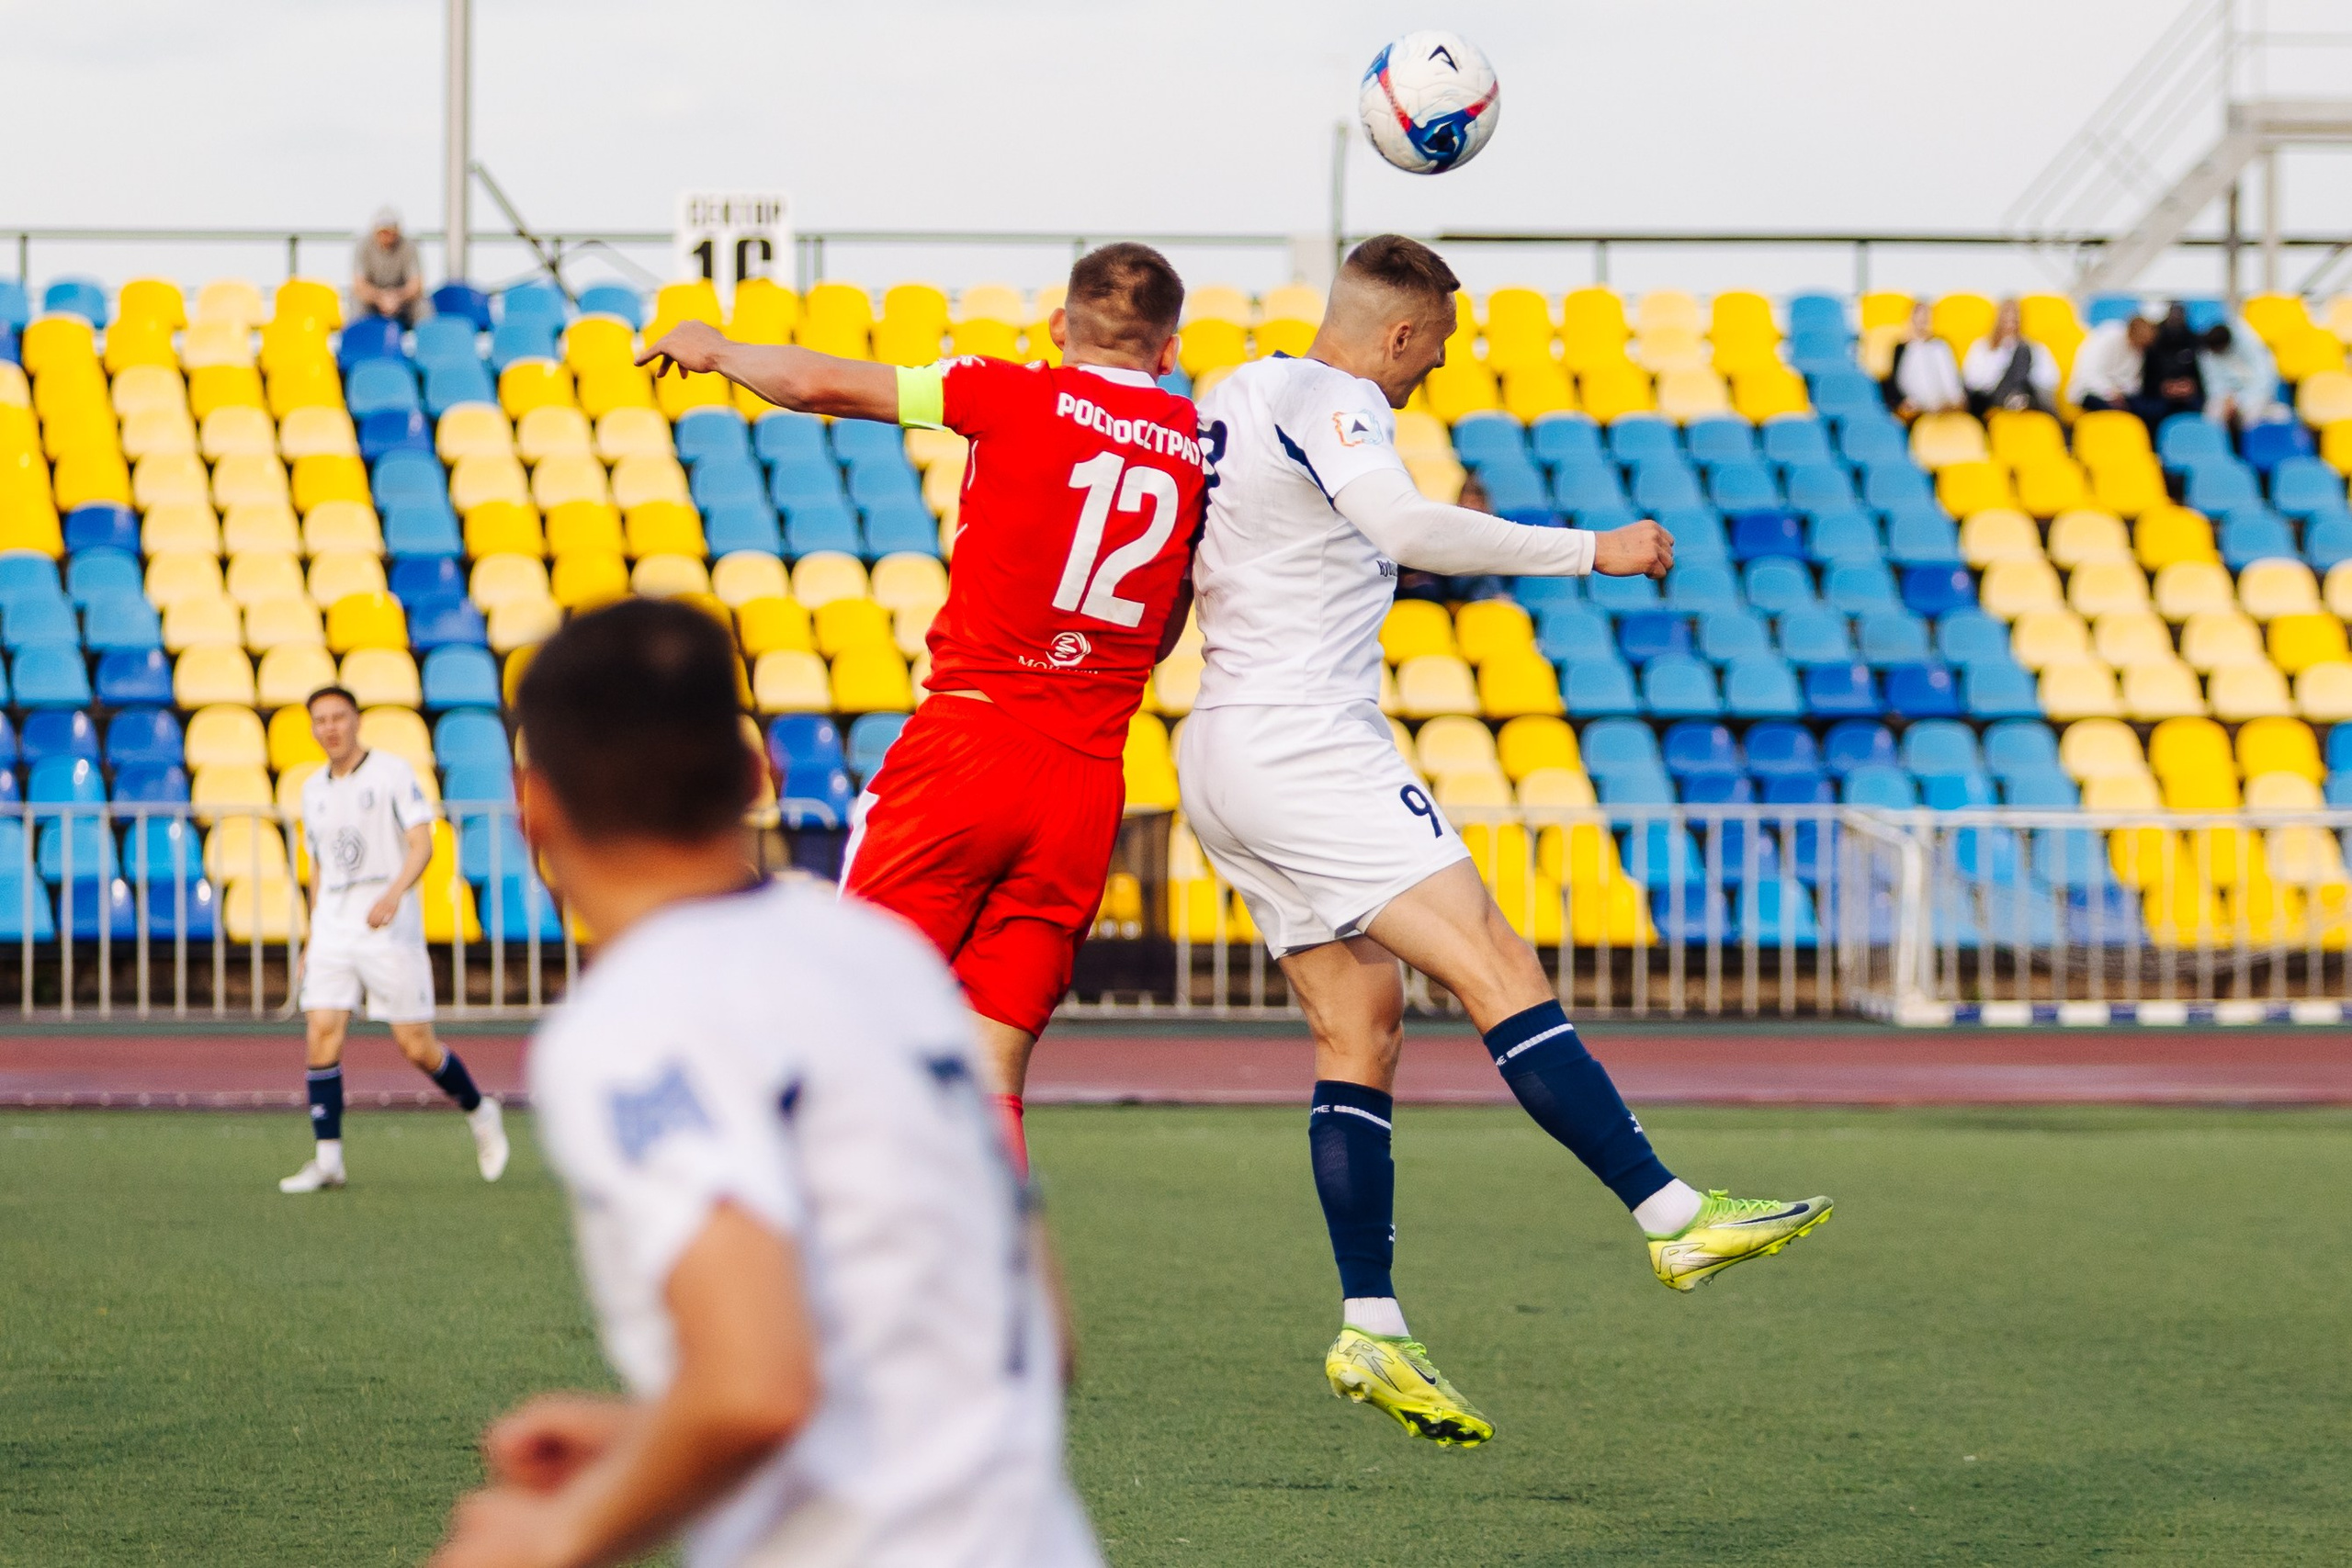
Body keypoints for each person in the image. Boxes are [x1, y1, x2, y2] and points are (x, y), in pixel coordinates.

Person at [1179, 235, 1831, 1450]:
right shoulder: (1342, 398)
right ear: (1401, 338)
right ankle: (1671, 1210)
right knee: (1497, 963)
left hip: (1218, 745)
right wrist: (1597, 547)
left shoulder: (1238, 390)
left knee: (1359, 1027)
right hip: (1308, 747)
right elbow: (1402, 523)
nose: (1431, 373)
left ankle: (1371, 1318)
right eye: (1435, 349)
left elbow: (1286, 553)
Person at [427, 600, 1100, 1568]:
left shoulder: (634, 1022)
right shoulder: (885, 959)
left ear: (530, 805)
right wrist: (651, 1434)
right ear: (754, 777)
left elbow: (754, 1388)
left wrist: (559, 1534)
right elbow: (1040, 1334)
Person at [639, 245, 1205, 1174]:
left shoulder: (1012, 391)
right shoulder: (1194, 446)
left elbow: (821, 381)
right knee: (994, 1073)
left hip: (972, 745)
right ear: (1169, 350)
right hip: (1086, 777)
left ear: (1061, 328)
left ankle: (787, 1280)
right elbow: (1170, 613)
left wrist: (716, 346)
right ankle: (991, 1299)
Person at [278, 685, 507, 1193]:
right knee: (321, 1029)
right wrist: (314, 935)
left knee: (416, 1045)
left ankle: (479, 1110)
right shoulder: (312, 788)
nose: (330, 728)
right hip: (336, 920)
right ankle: (328, 1158)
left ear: (356, 720)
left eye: (338, 717)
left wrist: (394, 893)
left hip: (388, 921)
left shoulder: (391, 774)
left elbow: (422, 844)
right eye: (320, 720)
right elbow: (317, 865)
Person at [1393, 470, 1508, 605]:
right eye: (1467, 502)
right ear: (1459, 503)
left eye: (1476, 502)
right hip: (1452, 584)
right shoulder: (1446, 532)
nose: (1472, 507)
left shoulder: (1495, 534)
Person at [1962, 299, 2059, 417]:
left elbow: (2049, 380)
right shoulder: (1982, 346)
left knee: (2023, 352)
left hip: (2025, 391)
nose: (2010, 325)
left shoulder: (2032, 347)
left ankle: (2019, 398)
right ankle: (2011, 398)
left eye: (2014, 320)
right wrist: (2001, 363)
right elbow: (1972, 381)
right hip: (1989, 397)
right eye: (2006, 320)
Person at [1880, 301, 1966, 422]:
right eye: (1919, 316)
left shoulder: (1941, 345)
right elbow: (1896, 381)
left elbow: (1951, 376)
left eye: (1926, 316)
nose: (1922, 321)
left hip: (1946, 404)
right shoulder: (1902, 348)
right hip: (1916, 406)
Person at [2069, 314, 2157, 421]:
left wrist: (2120, 393)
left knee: (2150, 410)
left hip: (2122, 393)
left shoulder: (2139, 350)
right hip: (2091, 391)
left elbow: (2134, 383)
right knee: (2115, 413)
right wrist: (2110, 392)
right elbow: (2088, 375)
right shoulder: (2107, 337)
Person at [2200, 321, 2281, 431]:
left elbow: (2264, 381)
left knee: (2251, 418)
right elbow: (2213, 383)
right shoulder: (2207, 351)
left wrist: (2239, 401)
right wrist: (2226, 399)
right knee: (2212, 416)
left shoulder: (2250, 344)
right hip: (2226, 396)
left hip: (2255, 395)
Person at [352, 207, 425, 326]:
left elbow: (416, 285)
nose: (386, 236)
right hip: (373, 301)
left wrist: (397, 298)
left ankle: (427, 341)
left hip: (403, 301)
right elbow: (359, 285)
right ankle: (359, 341)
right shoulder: (362, 246)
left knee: (422, 307)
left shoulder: (409, 246)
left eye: (390, 232)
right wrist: (380, 298)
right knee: (357, 306)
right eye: (382, 232)